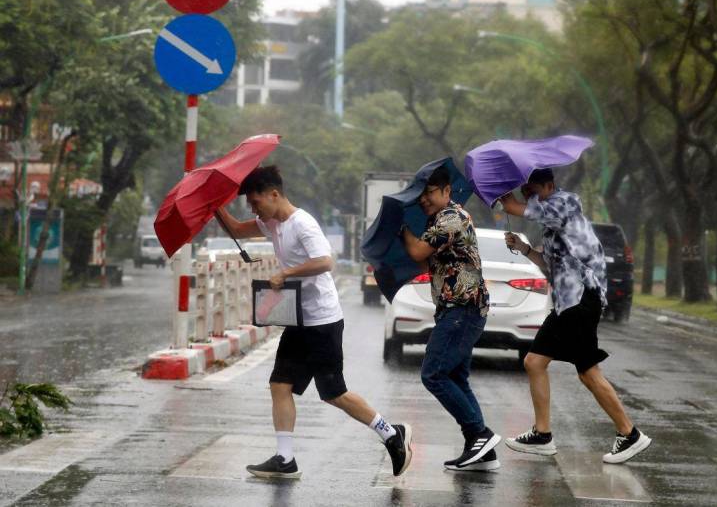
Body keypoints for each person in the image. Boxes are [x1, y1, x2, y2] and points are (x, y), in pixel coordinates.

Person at [218, 165, 412, 479]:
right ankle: (285, 458)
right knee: (280, 385)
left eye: (256, 203)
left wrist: (286, 273)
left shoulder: (302, 223)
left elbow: (325, 261)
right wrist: (214, 206)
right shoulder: (271, 224)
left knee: (334, 392)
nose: (254, 210)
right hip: (298, 320)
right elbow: (237, 230)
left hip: (322, 321)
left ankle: (391, 433)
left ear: (274, 194)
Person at [498, 168, 652, 464]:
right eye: (526, 191)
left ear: (549, 186)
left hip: (582, 298)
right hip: (568, 302)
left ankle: (629, 433)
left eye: (533, 190)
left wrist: (505, 194)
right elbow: (551, 265)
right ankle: (542, 434)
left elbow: (516, 208)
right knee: (535, 362)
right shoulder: (552, 220)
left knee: (587, 371)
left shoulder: (564, 203)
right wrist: (524, 249)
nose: (529, 196)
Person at [399, 165, 501, 471]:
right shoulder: (440, 218)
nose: (424, 200)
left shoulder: (452, 218)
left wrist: (402, 227)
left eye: (430, 193)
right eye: (422, 195)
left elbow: (418, 252)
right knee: (456, 376)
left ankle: (480, 434)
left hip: (462, 308)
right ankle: (481, 450)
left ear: (446, 191)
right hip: (458, 309)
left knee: (434, 374)